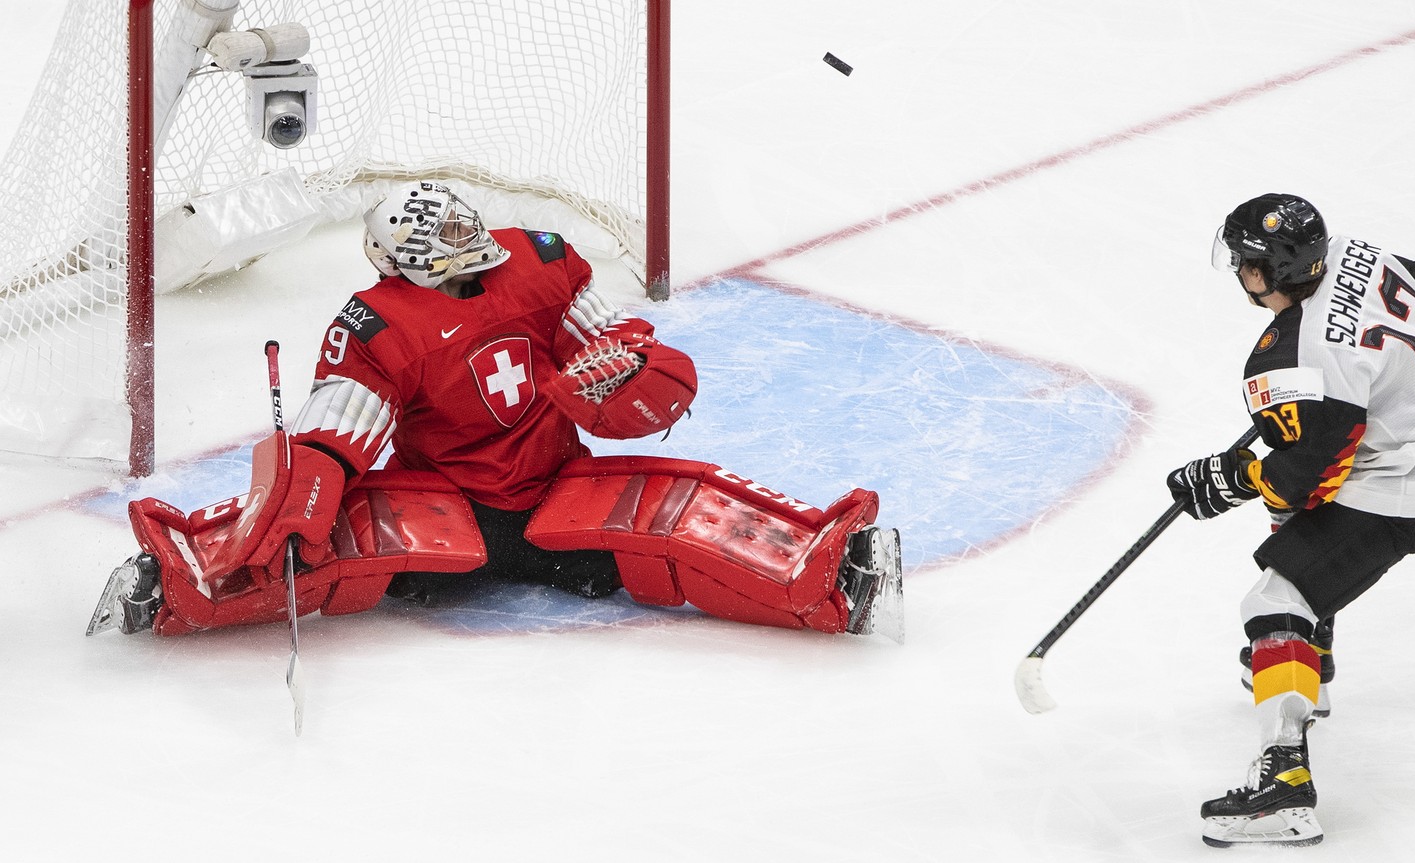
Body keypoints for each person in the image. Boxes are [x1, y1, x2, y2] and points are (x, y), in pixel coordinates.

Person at [88, 181, 903, 643]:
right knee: (314, 545)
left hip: (544, 495)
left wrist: (630, 369)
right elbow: (338, 434)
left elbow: (603, 342)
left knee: (672, 530)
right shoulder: (387, 321)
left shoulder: (536, 264)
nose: (463, 249)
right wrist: (301, 494)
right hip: (451, 515)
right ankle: (178, 581)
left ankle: (835, 570)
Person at [1165, 193, 1415, 847]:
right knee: (1302, 535)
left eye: (1248, 261)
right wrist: (1397, 365)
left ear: (1277, 270)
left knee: (1273, 599)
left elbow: (1312, 476)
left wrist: (1229, 479)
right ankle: (1314, 654)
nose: (1239, 272)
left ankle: (1284, 784)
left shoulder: (1295, 352)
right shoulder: (1352, 252)